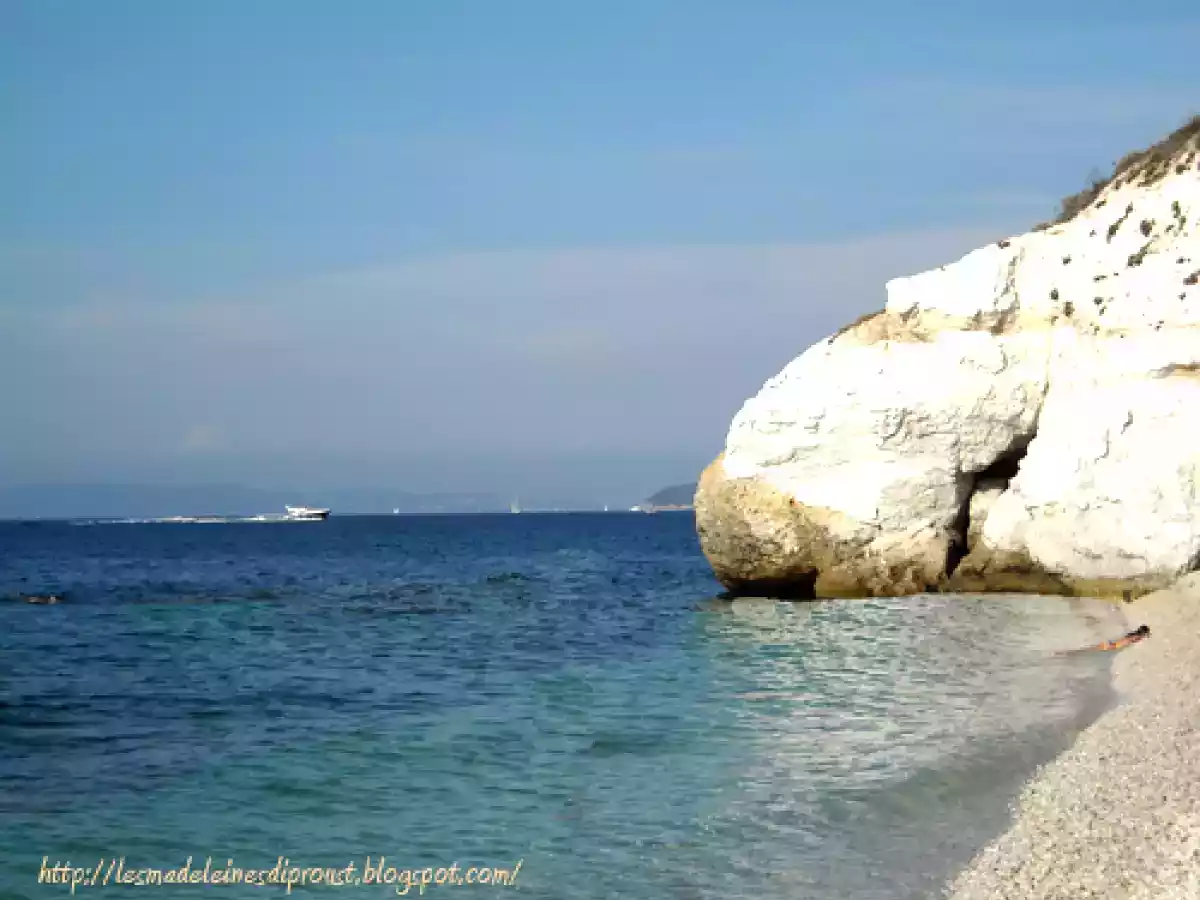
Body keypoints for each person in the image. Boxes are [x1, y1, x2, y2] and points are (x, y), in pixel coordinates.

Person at [1059, 624, 1150, 655]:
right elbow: (1135, 640)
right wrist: (1145, 636)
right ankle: (1067, 653)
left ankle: (1067, 652)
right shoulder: (1135, 637)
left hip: (1110, 644)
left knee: (1087, 649)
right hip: (1110, 646)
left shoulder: (1132, 635)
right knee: (1087, 650)